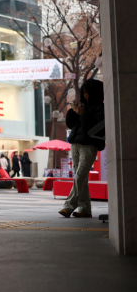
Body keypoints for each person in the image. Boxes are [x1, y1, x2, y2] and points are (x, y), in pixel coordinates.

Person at [59, 79, 105, 218]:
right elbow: (70, 124)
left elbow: (94, 128)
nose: (85, 96)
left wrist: (82, 114)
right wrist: (73, 111)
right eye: (83, 93)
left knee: (80, 175)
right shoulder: (83, 107)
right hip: (76, 144)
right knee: (82, 177)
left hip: (89, 145)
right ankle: (84, 208)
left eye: (88, 93)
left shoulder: (101, 108)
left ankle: (69, 205)